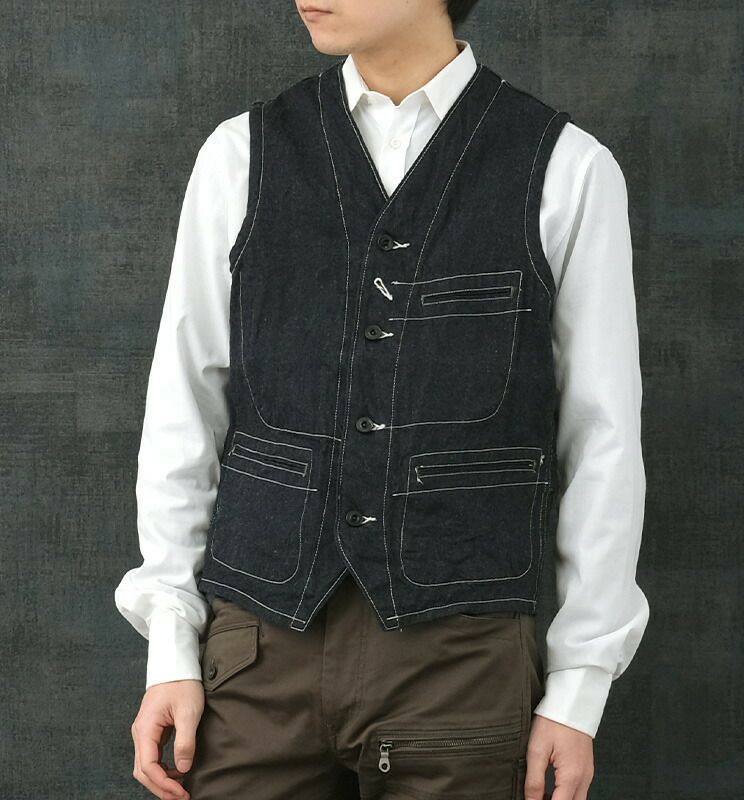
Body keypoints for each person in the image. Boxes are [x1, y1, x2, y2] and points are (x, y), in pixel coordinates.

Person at [115, 1, 649, 798]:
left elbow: (603, 441)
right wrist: (170, 645)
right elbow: (182, 409)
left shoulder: (567, 166)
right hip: (256, 652)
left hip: (461, 663)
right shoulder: (240, 154)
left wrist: (579, 687)